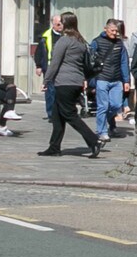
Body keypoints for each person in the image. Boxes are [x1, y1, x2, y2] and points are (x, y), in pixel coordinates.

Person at [39, 13, 101, 159]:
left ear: (66, 24)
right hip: (76, 81)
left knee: (69, 114)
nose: (58, 25)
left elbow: (55, 63)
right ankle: (54, 147)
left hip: (64, 82)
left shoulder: (64, 40)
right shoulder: (80, 40)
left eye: (61, 22)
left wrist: (46, 80)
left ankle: (94, 140)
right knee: (57, 115)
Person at [87, 18, 130, 143]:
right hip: (102, 78)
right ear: (105, 29)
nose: (115, 33)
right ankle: (102, 132)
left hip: (116, 80)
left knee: (116, 105)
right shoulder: (96, 42)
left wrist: (126, 81)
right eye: (112, 31)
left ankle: (104, 120)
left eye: (116, 31)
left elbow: (124, 62)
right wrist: (90, 79)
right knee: (103, 106)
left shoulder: (119, 44)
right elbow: (90, 61)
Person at [32, 14, 63, 120]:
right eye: (58, 24)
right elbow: (39, 52)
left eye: (62, 23)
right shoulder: (45, 37)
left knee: (61, 92)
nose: (61, 26)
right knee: (50, 91)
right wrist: (38, 66)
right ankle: (51, 114)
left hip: (63, 68)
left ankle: (61, 113)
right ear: (53, 24)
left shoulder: (66, 36)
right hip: (49, 68)